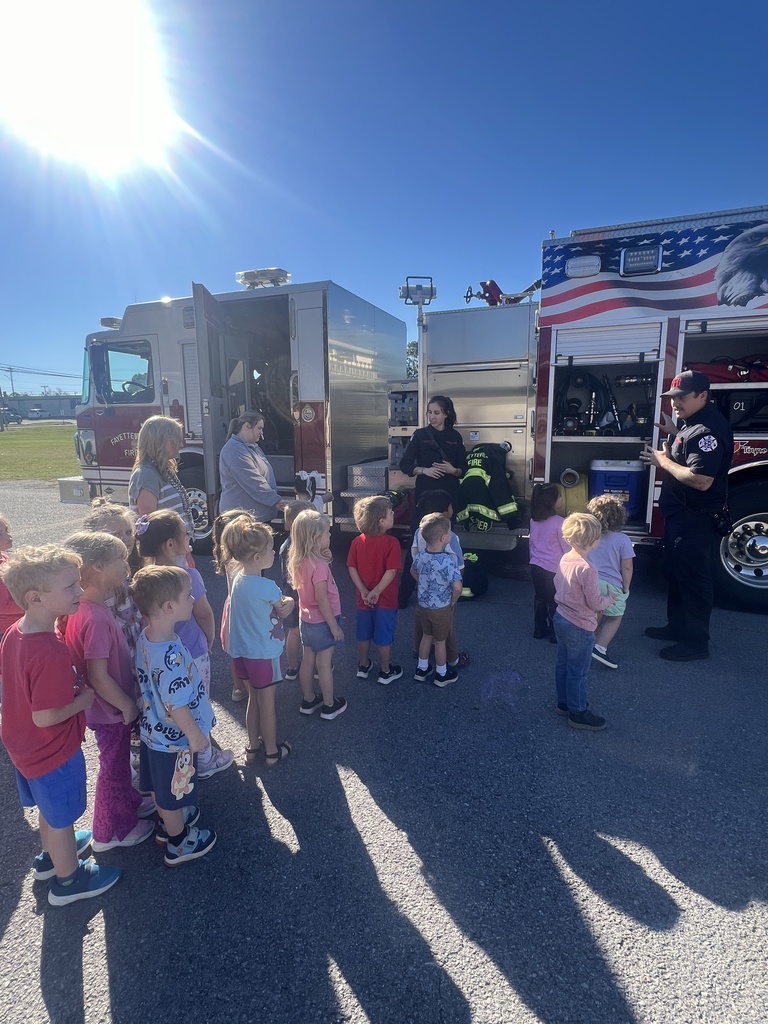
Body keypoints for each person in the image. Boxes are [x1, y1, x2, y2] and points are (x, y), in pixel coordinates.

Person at [0, 545, 121, 905]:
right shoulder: (48, 651)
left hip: (24, 747)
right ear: (35, 597)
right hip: (51, 750)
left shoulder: (16, 632)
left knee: (47, 810)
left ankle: (51, 858)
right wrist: (84, 700)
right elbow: (46, 715)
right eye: (70, 587)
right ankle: (68, 881)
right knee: (61, 818)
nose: (80, 592)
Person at [63, 532, 154, 852]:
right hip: (110, 711)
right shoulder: (97, 618)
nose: (127, 565)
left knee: (116, 766)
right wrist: (127, 705)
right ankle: (109, 832)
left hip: (107, 709)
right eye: (119, 559)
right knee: (113, 769)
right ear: (99, 567)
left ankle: (128, 802)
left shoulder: (86, 608)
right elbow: (98, 676)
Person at [639, 370, 734, 661]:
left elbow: (701, 479)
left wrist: (663, 460)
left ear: (703, 396)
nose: (675, 403)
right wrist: (673, 432)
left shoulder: (707, 431)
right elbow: (688, 447)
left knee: (693, 579)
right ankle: (677, 627)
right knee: (676, 573)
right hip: (681, 515)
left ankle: (695, 643)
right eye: (672, 398)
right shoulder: (692, 424)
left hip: (695, 518)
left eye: (682, 398)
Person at [130, 565, 217, 866]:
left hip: (153, 732)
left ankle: (171, 823)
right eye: (186, 595)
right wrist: (195, 735)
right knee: (171, 790)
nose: (192, 598)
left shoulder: (147, 637)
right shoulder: (170, 656)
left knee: (159, 786)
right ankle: (179, 842)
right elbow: (176, 704)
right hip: (175, 738)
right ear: (169, 607)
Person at [137, 510, 234, 779]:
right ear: (171, 544)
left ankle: (181, 753)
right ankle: (205, 758)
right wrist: (210, 638)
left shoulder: (144, 578)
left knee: (169, 705)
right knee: (197, 702)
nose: (189, 537)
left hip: (158, 653)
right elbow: (203, 613)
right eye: (185, 534)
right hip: (193, 651)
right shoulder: (187, 576)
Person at [220, 515, 295, 766]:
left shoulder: (238, 581)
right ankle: (272, 751)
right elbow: (284, 607)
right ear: (257, 557)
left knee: (253, 698)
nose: (274, 554)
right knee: (268, 703)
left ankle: (252, 748)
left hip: (243, 654)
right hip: (264, 654)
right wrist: (292, 601)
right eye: (270, 550)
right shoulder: (266, 586)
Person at [398, 395, 467, 607]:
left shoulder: (455, 436)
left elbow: (464, 468)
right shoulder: (420, 435)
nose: (432, 417)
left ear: (447, 414)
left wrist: (452, 470)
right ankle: (404, 594)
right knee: (416, 544)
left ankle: (447, 594)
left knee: (447, 544)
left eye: (436, 413)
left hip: (448, 498)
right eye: (429, 412)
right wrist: (423, 470)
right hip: (425, 499)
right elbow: (405, 464)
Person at [553, 513, 614, 731]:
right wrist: (609, 599)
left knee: (563, 664)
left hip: (560, 617)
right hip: (580, 625)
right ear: (593, 542)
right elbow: (595, 603)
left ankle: (563, 703)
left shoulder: (565, 558)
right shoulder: (588, 569)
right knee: (577, 671)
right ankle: (578, 712)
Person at [287, 510, 347, 720]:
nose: (330, 536)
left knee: (308, 660)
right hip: (323, 621)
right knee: (324, 664)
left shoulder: (300, 560)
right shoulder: (319, 566)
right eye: (327, 533)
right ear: (315, 538)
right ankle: (329, 705)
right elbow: (322, 599)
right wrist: (334, 626)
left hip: (306, 620)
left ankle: (309, 699)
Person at [409, 489, 469, 671]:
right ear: (445, 512)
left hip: (425, 595)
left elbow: (414, 559)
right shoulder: (451, 537)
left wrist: (422, 582)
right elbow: (459, 566)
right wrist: (454, 596)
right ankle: (451, 660)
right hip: (445, 594)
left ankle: (420, 655)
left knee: (423, 628)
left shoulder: (421, 532)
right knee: (445, 630)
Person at [346, 495, 402, 684]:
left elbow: (351, 567)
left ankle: (363, 665)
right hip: (385, 599)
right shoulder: (391, 543)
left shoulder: (357, 542)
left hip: (363, 598)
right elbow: (391, 571)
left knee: (363, 633)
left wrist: (363, 590)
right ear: (381, 521)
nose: (393, 514)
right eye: (390, 513)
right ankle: (385, 671)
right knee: (383, 635)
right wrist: (377, 591)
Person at [82, 499, 142, 652]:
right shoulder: (97, 579)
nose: (126, 538)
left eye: (129, 532)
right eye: (115, 535)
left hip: (135, 645)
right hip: (112, 650)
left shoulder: (132, 567)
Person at [411, 513, 463, 688]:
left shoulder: (421, 556)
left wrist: (423, 583)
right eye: (449, 532)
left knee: (426, 636)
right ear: (443, 538)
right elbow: (457, 587)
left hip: (423, 606)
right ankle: (442, 674)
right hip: (441, 607)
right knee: (440, 641)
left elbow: (413, 571)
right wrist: (453, 600)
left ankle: (422, 668)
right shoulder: (448, 562)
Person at [128, 416, 195, 544]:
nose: (181, 444)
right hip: (164, 554)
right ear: (160, 442)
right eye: (175, 440)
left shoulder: (164, 470)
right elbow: (149, 524)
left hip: (176, 549)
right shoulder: (146, 475)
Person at [586, 495, 635, 670]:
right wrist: (626, 587)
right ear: (619, 516)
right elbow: (627, 567)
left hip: (590, 580)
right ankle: (600, 648)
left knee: (595, 612)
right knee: (614, 616)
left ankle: (585, 643)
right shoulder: (623, 540)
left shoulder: (591, 536)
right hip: (611, 585)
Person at [212, 507, 252, 703]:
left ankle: (238, 687)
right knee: (248, 649)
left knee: (234, 651)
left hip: (232, 607)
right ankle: (251, 686)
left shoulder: (227, 554)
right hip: (245, 609)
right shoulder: (243, 560)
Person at [219, 412, 288, 522]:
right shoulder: (234, 450)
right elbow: (254, 482)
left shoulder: (252, 447)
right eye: (259, 428)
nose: (261, 432)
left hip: (253, 518)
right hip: (241, 521)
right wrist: (277, 501)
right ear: (247, 426)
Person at [277, 500, 314, 682]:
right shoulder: (304, 546)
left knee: (292, 631)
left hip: (288, 594)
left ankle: (292, 668)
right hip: (305, 596)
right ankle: (314, 666)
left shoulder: (285, 545)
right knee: (310, 631)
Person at [528, 484, 569, 642]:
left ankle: (538, 629)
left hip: (536, 566)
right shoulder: (560, 522)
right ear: (552, 501)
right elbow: (566, 548)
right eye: (559, 496)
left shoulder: (533, 520)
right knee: (554, 600)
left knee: (539, 597)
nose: (561, 499)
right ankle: (554, 632)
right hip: (553, 569)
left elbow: (531, 543)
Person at [0, 513, 23, 640]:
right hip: (4, 630)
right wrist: (29, 606)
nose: (8, 535)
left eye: (6, 530)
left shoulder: (4, 558)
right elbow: (2, 606)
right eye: (0, 534)